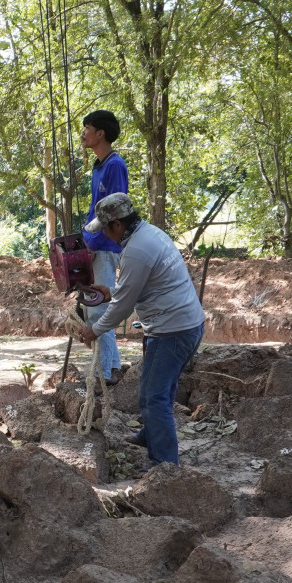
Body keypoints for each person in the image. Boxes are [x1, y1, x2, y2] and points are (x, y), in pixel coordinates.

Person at [72, 191, 204, 466]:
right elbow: (137, 287)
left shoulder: (136, 251)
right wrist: (110, 292)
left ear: (116, 225)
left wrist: (94, 330)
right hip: (178, 325)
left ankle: (164, 464)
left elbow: (123, 307)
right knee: (156, 389)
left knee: (154, 396)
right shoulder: (150, 234)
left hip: (173, 330)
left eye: (105, 229)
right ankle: (151, 434)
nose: (105, 236)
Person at [79, 109, 129, 385]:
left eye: (87, 128)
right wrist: (85, 237)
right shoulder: (99, 166)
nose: (83, 134)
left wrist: (95, 238)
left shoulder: (114, 165)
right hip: (95, 243)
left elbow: (115, 209)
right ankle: (112, 367)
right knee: (93, 307)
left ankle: (104, 373)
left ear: (101, 133)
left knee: (98, 309)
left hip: (106, 247)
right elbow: (95, 211)